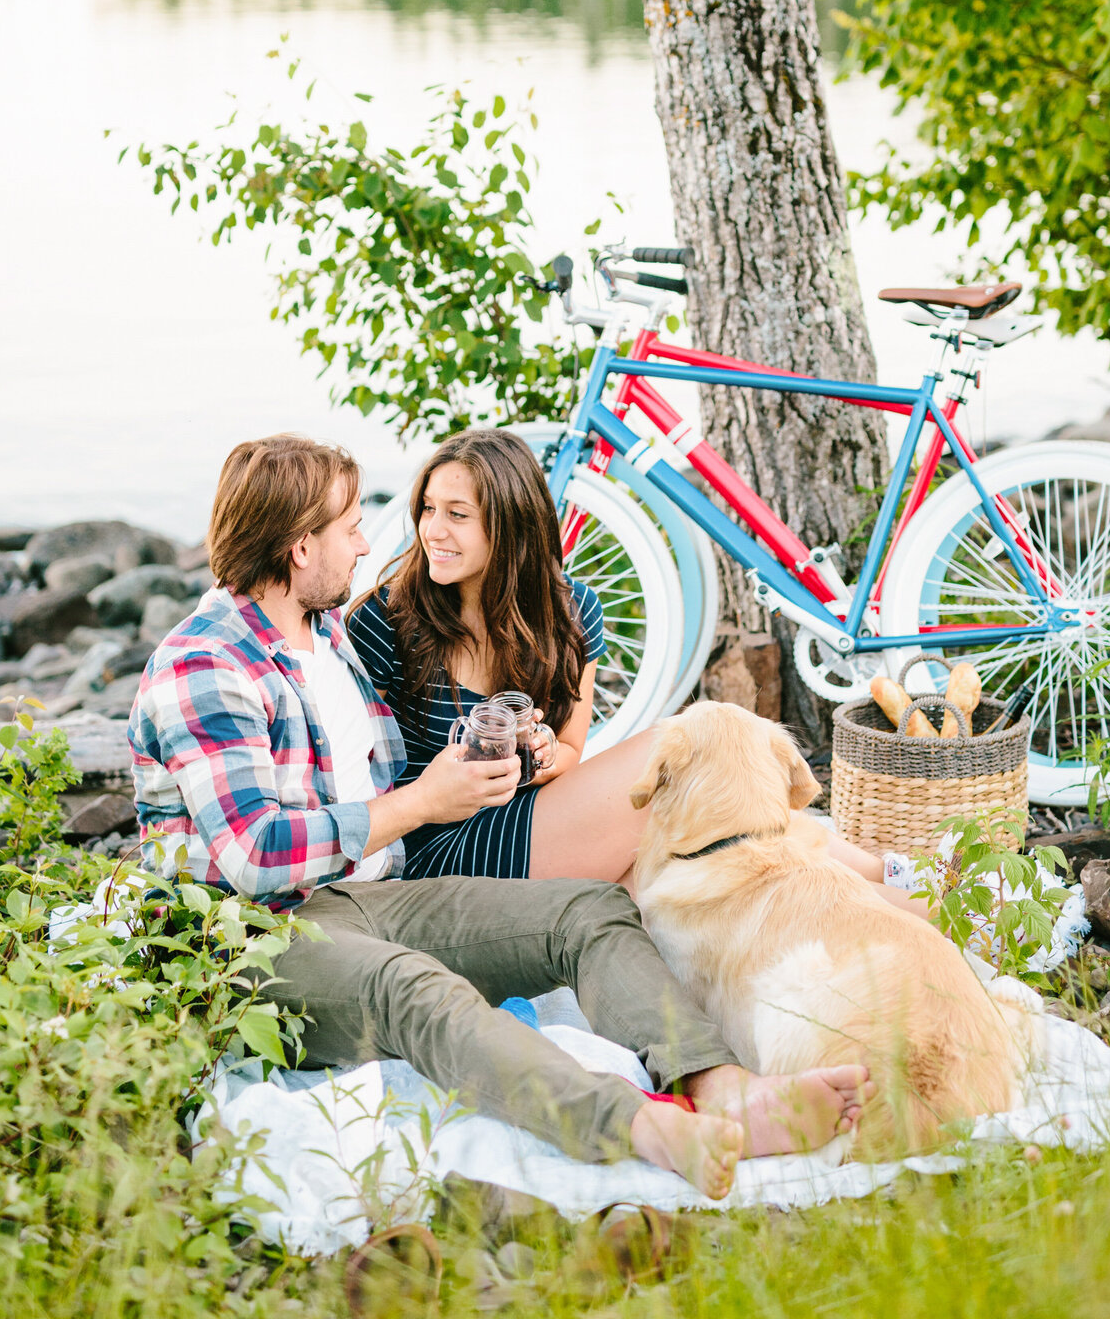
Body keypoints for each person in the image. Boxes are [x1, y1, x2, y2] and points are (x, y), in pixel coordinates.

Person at [129, 433, 874, 1200]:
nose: (367, 541)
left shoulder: (325, 638)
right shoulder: (206, 662)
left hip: (375, 891)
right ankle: (633, 1123)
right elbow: (257, 854)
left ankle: (721, 1088)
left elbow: (396, 756)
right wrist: (427, 802)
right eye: (350, 525)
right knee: (409, 988)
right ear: (297, 549)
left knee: (588, 909)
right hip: (253, 931)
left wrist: (496, 758)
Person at [347, 430, 922, 909]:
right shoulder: (385, 621)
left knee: (733, 865)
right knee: (695, 753)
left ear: (511, 522)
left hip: (534, 818)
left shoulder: (568, 612)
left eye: (457, 515)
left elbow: (571, 751)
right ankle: (903, 878)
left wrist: (542, 756)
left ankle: (923, 906)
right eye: (427, 509)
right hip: (440, 850)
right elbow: (357, 786)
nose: (432, 530)